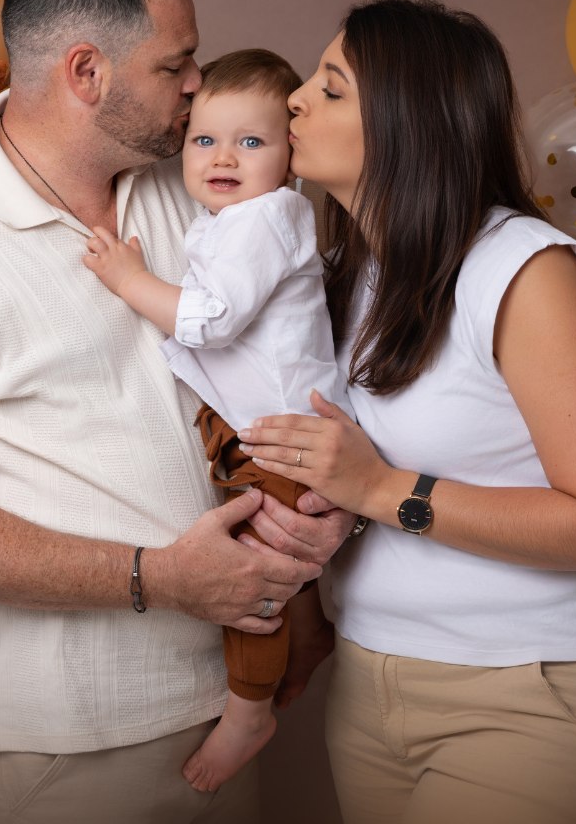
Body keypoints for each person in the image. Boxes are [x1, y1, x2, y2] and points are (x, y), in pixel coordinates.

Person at [0, 0, 348, 824]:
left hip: (223, 699)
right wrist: (159, 576)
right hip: (65, 742)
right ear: (86, 74)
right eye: (175, 65)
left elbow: (262, 379)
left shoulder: (201, 189)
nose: (198, 85)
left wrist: (302, 576)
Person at [236, 0, 576, 823]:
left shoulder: (522, 272)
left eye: (331, 87)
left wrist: (379, 489)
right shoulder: (348, 275)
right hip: (369, 689)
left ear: (406, 122)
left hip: (525, 701)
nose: (294, 101)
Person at [82, 48, 353, 794]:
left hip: (287, 437)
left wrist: (130, 280)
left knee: (250, 581)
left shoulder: (268, 217)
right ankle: (311, 629)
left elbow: (208, 321)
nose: (223, 157)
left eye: (251, 142)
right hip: (259, 431)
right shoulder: (228, 222)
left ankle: (247, 711)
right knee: (278, 566)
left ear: (290, 159)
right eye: (204, 140)